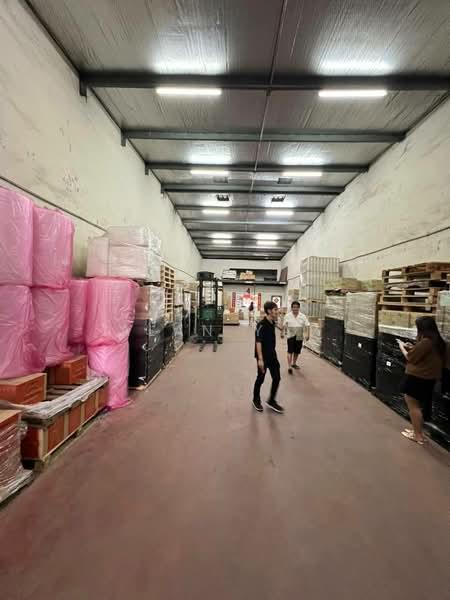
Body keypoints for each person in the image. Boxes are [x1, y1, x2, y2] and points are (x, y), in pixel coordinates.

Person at [397, 316, 446, 445]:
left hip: (416, 377)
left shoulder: (426, 342)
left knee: (413, 407)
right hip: (428, 378)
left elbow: (410, 357)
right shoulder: (438, 341)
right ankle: (417, 431)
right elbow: (426, 355)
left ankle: (417, 436)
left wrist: (402, 346)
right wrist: (414, 347)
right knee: (418, 406)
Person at [253, 301, 284, 414]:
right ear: (269, 311)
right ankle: (256, 399)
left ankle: (271, 400)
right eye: (275, 310)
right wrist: (260, 359)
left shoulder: (272, 322)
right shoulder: (261, 325)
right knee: (261, 378)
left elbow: (278, 327)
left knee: (277, 377)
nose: (277, 311)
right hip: (263, 356)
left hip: (272, 355)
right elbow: (258, 342)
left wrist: (282, 330)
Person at [281, 301, 310, 374]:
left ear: (299, 308)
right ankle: (289, 367)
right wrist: (282, 333)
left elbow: (307, 325)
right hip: (290, 336)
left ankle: (294, 363)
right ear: (292, 308)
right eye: (294, 307)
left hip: (299, 336)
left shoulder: (302, 316)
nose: (295, 309)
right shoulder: (288, 315)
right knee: (290, 351)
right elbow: (284, 325)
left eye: (297, 307)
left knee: (297, 351)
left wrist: (308, 334)